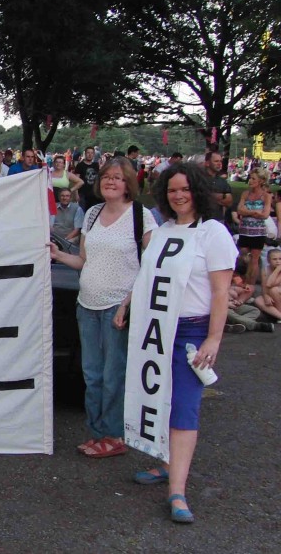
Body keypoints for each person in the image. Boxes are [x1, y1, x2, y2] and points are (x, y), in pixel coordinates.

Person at [126, 162, 236, 524]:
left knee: (185, 408)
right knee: (157, 397)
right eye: (172, 189)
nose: (179, 195)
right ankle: (166, 464)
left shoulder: (213, 233)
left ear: (198, 191)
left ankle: (178, 491)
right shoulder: (161, 231)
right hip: (156, 328)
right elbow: (147, 277)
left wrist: (214, 338)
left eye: (185, 189)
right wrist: (128, 306)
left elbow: (221, 293)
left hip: (191, 331)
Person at [49, 157, 155, 458]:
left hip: (117, 308)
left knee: (113, 375)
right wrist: (59, 255)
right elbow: (84, 261)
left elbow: (152, 265)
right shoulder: (93, 213)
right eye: (107, 176)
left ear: (129, 184)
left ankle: (114, 435)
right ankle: (98, 433)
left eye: (118, 178)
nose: (110, 181)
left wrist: (127, 304)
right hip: (87, 306)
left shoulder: (140, 216)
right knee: (91, 374)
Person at [236, 167, 271, 286]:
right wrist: (254, 213)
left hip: (258, 232)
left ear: (261, 181)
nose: (250, 180)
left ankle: (249, 285)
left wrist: (248, 211)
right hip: (245, 230)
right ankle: (242, 279)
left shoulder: (266, 196)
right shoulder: (245, 194)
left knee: (255, 259)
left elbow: (265, 214)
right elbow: (239, 210)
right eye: (250, 178)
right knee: (243, 253)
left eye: (253, 178)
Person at [203, 152, 233, 225]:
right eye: (216, 161)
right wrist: (222, 196)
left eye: (220, 161)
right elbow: (199, 197)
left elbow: (229, 201)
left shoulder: (222, 182)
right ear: (207, 163)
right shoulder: (199, 179)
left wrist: (210, 195)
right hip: (201, 220)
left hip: (218, 221)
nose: (219, 164)